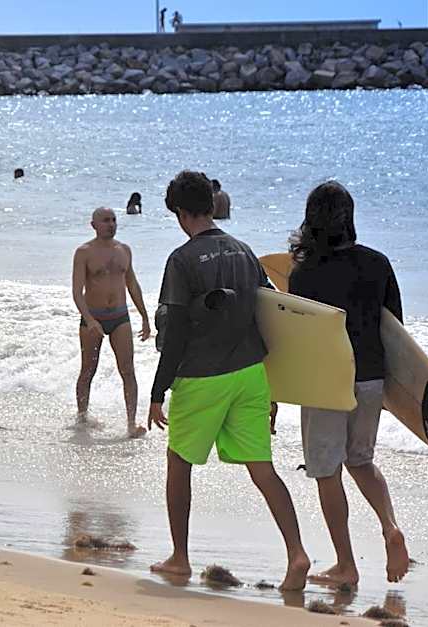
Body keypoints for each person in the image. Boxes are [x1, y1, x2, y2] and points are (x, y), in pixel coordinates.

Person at [147, 170, 310, 591]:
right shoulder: (245, 252)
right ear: (212, 204)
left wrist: (157, 391)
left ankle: (180, 558)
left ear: (181, 213)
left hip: (202, 378)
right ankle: (297, 553)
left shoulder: (181, 260)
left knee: (179, 462)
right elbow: (270, 316)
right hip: (251, 374)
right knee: (262, 468)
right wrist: (275, 387)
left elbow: (178, 328)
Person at [287, 181, 409, 586]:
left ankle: (346, 565)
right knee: (361, 461)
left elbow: (298, 339)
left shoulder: (304, 275)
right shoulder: (378, 263)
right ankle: (390, 527)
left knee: (327, 472)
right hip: (370, 378)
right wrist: (395, 392)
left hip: (326, 382)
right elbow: (396, 332)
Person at [72, 207, 151, 438]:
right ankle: (82, 416)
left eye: (114, 220)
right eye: (105, 220)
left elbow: (133, 285)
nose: (111, 224)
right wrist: (89, 319)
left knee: (128, 370)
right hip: (93, 317)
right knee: (88, 370)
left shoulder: (124, 250)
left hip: (119, 317)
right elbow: (77, 292)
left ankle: (131, 424)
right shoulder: (84, 252)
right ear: (94, 225)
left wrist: (145, 317)